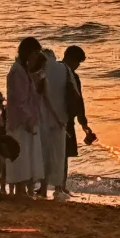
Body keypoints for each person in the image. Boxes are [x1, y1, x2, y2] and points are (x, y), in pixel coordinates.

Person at [6, 37, 44, 197]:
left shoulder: (23, 70)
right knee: (21, 155)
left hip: (26, 119)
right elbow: (20, 101)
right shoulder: (17, 72)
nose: (36, 57)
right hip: (20, 121)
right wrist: (28, 120)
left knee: (27, 154)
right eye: (34, 53)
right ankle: (20, 189)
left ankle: (23, 188)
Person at [38, 47, 69, 200]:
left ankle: (42, 188)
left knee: (42, 154)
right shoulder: (64, 69)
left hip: (41, 118)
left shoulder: (39, 71)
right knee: (58, 154)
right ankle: (59, 188)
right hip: (60, 117)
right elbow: (73, 93)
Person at [64, 45, 96, 175]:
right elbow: (78, 101)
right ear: (71, 59)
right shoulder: (73, 76)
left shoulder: (54, 71)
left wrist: (84, 125)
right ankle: (60, 186)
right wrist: (83, 123)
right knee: (63, 155)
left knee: (56, 154)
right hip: (66, 119)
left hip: (54, 117)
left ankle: (55, 185)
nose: (78, 65)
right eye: (78, 62)